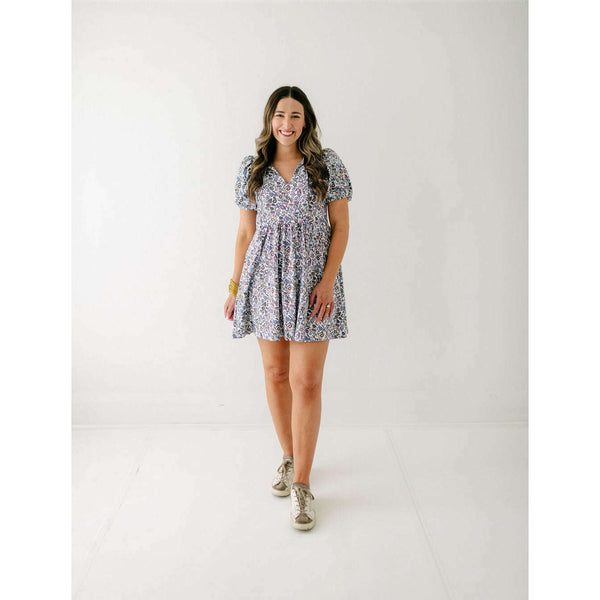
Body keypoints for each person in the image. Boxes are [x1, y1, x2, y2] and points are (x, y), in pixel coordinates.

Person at [223, 86, 353, 531]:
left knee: (306, 382)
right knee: (277, 373)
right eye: (280, 115)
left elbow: (340, 227)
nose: (287, 123)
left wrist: (327, 281)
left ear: (306, 121)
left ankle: (302, 485)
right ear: (270, 119)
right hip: (264, 280)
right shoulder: (252, 169)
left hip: (313, 284)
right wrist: (235, 286)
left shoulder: (326, 165)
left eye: (296, 115)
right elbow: (245, 233)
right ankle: (289, 455)